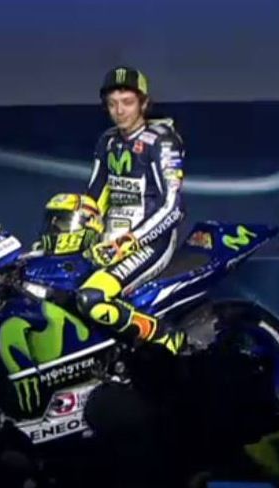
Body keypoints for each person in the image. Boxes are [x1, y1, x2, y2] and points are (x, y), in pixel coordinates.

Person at [75, 66, 188, 354]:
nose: (119, 111)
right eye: (112, 104)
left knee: (92, 298)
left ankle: (164, 335)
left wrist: (126, 244)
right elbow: (93, 194)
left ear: (144, 103)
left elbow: (174, 208)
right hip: (108, 241)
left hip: (151, 243)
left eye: (127, 102)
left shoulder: (162, 141)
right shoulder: (107, 141)